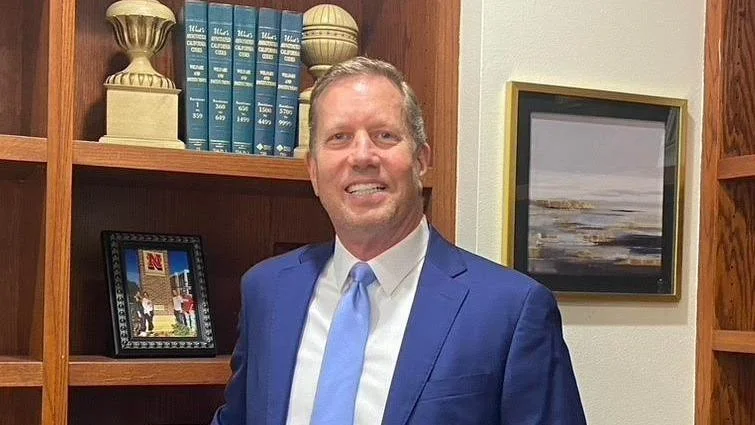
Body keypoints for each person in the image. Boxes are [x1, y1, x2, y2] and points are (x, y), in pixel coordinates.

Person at [211, 56, 586, 425]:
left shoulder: (511, 310)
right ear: (313, 170)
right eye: (339, 138)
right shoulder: (267, 291)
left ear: (421, 160)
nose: (362, 156)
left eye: (384, 136)